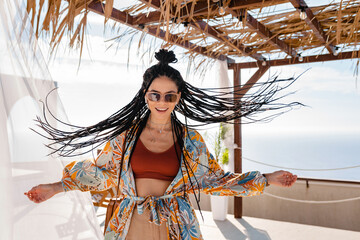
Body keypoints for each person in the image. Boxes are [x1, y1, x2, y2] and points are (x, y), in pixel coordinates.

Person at [25, 49, 298, 240]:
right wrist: (56, 187)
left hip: (176, 224)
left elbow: (214, 181)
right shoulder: (125, 137)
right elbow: (100, 174)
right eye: (155, 94)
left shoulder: (191, 142)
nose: (162, 102)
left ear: (178, 98)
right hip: (129, 222)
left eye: (170, 96)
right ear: (146, 95)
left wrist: (265, 179)